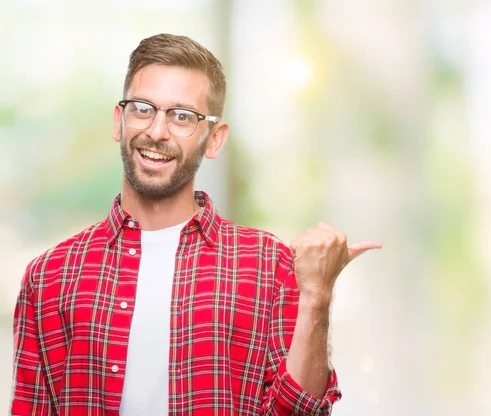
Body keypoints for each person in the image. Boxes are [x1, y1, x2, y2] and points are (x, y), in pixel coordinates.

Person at [10, 33, 382, 415]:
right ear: (119, 121)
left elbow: (303, 413)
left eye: (182, 117)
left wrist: (317, 296)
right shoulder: (50, 276)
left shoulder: (269, 265)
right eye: (143, 108)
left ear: (214, 139)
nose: (156, 131)